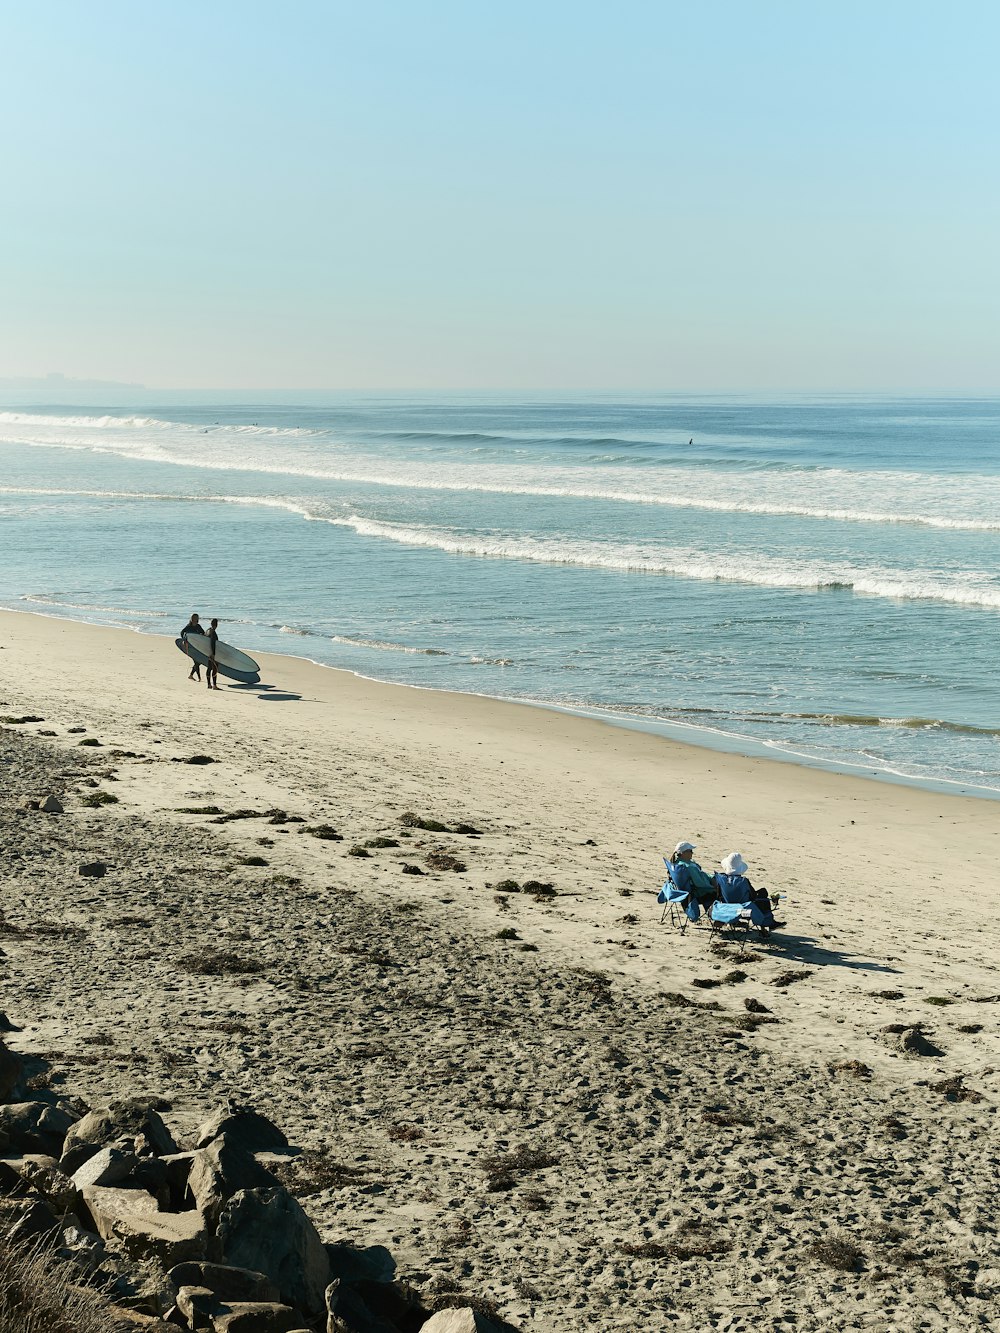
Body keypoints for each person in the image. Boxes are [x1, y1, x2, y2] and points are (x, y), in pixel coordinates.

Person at [716, 852, 785, 936]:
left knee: (758, 896)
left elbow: (719, 895)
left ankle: (733, 923)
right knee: (763, 895)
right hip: (744, 911)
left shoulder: (720, 878)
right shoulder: (743, 881)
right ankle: (768, 924)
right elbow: (752, 896)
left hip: (726, 908)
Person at [669, 841, 718, 914]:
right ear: (683, 853)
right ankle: (715, 915)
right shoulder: (689, 867)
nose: (692, 853)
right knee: (718, 892)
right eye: (690, 851)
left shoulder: (676, 864)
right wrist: (713, 886)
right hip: (697, 893)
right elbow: (700, 883)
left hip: (683, 892)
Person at [180, 613, 202, 682]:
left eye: (197, 618)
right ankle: (199, 678)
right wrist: (184, 640)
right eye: (195, 618)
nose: (196, 620)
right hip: (190, 647)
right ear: (192, 619)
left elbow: (203, 634)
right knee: (197, 662)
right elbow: (182, 632)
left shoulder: (198, 626)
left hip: (197, 647)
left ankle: (191, 675)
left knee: (198, 662)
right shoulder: (188, 627)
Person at [206, 618, 221, 691]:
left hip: (207, 652)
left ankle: (209, 684)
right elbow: (213, 643)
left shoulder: (207, 631)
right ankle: (214, 685)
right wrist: (213, 654)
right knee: (215, 668)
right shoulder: (213, 632)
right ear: (216, 625)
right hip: (212, 653)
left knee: (209, 668)